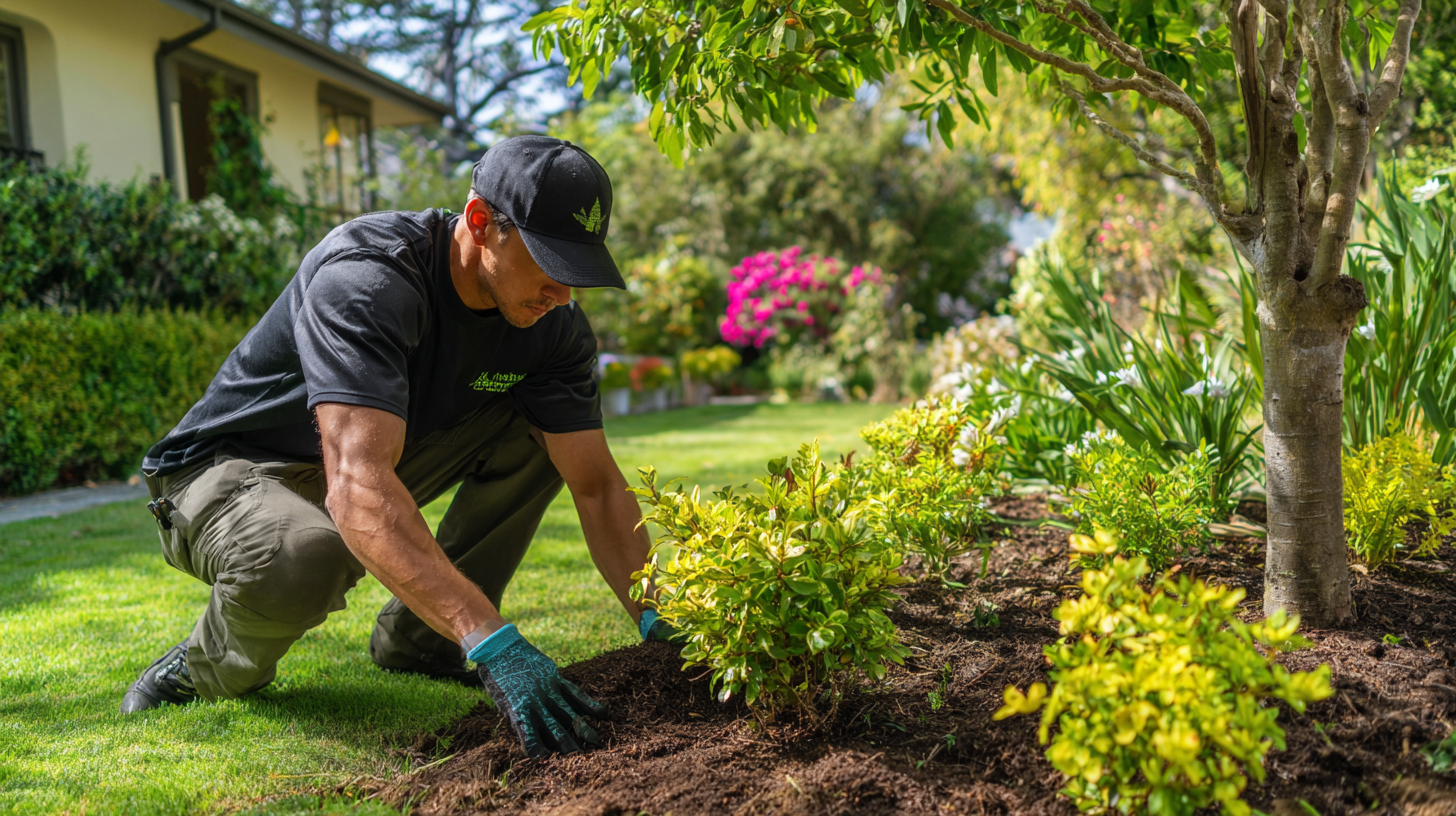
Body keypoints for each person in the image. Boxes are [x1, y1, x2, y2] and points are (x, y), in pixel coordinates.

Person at [123, 135, 677, 757]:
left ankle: (422, 641)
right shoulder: (370, 277)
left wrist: (659, 619)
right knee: (307, 555)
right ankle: (202, 668)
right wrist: (492, 639)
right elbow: (358, 491)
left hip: (367, 459)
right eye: (550, 263)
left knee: (540, 432)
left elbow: (597, 485)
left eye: (578, 272)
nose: (564, 294)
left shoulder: (552, 329)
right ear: (479, 222)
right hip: (227, 472)